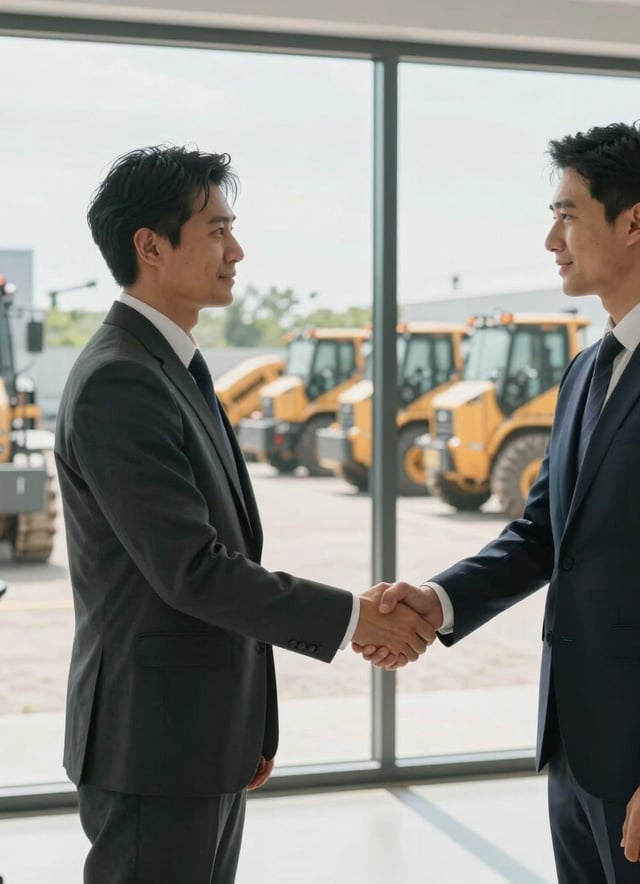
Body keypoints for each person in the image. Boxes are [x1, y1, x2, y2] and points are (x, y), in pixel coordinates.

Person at [358, 122, 640, 882]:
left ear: (635, 221)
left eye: (568, 214)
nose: (552, 239)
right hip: (577, 748)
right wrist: (439, 600)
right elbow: (545, 533)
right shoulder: (586, 369)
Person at [54, 145, 435, 884]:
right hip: (153, 742)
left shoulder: (172, 368)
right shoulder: (119, 381)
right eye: (218, 230)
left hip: (198, 735)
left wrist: (249, 723)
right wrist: (355, 618)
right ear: (150, 247)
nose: (237, 250)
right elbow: (193, 571)